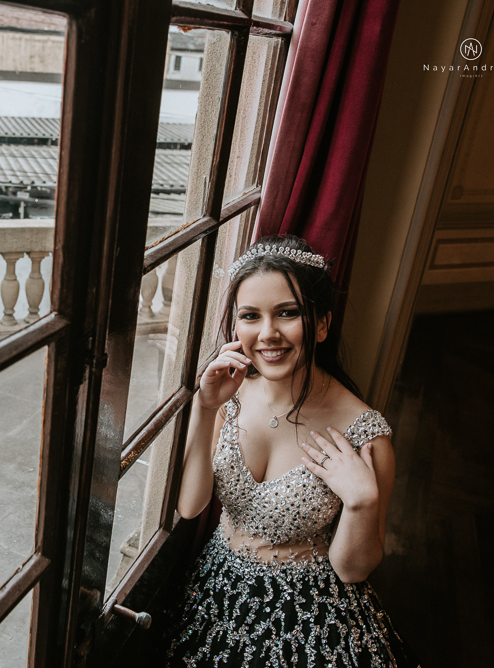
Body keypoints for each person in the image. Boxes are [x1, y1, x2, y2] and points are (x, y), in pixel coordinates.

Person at [166, 235, 419, 667]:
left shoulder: (365, 433)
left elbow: (353, 571)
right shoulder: (229, 394)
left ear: (320, 324)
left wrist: (362, 502)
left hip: (308, 613)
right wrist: (205, 408)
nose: (268, 334)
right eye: (250, 316)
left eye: (287, 313)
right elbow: (191, 507)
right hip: (217, 589)